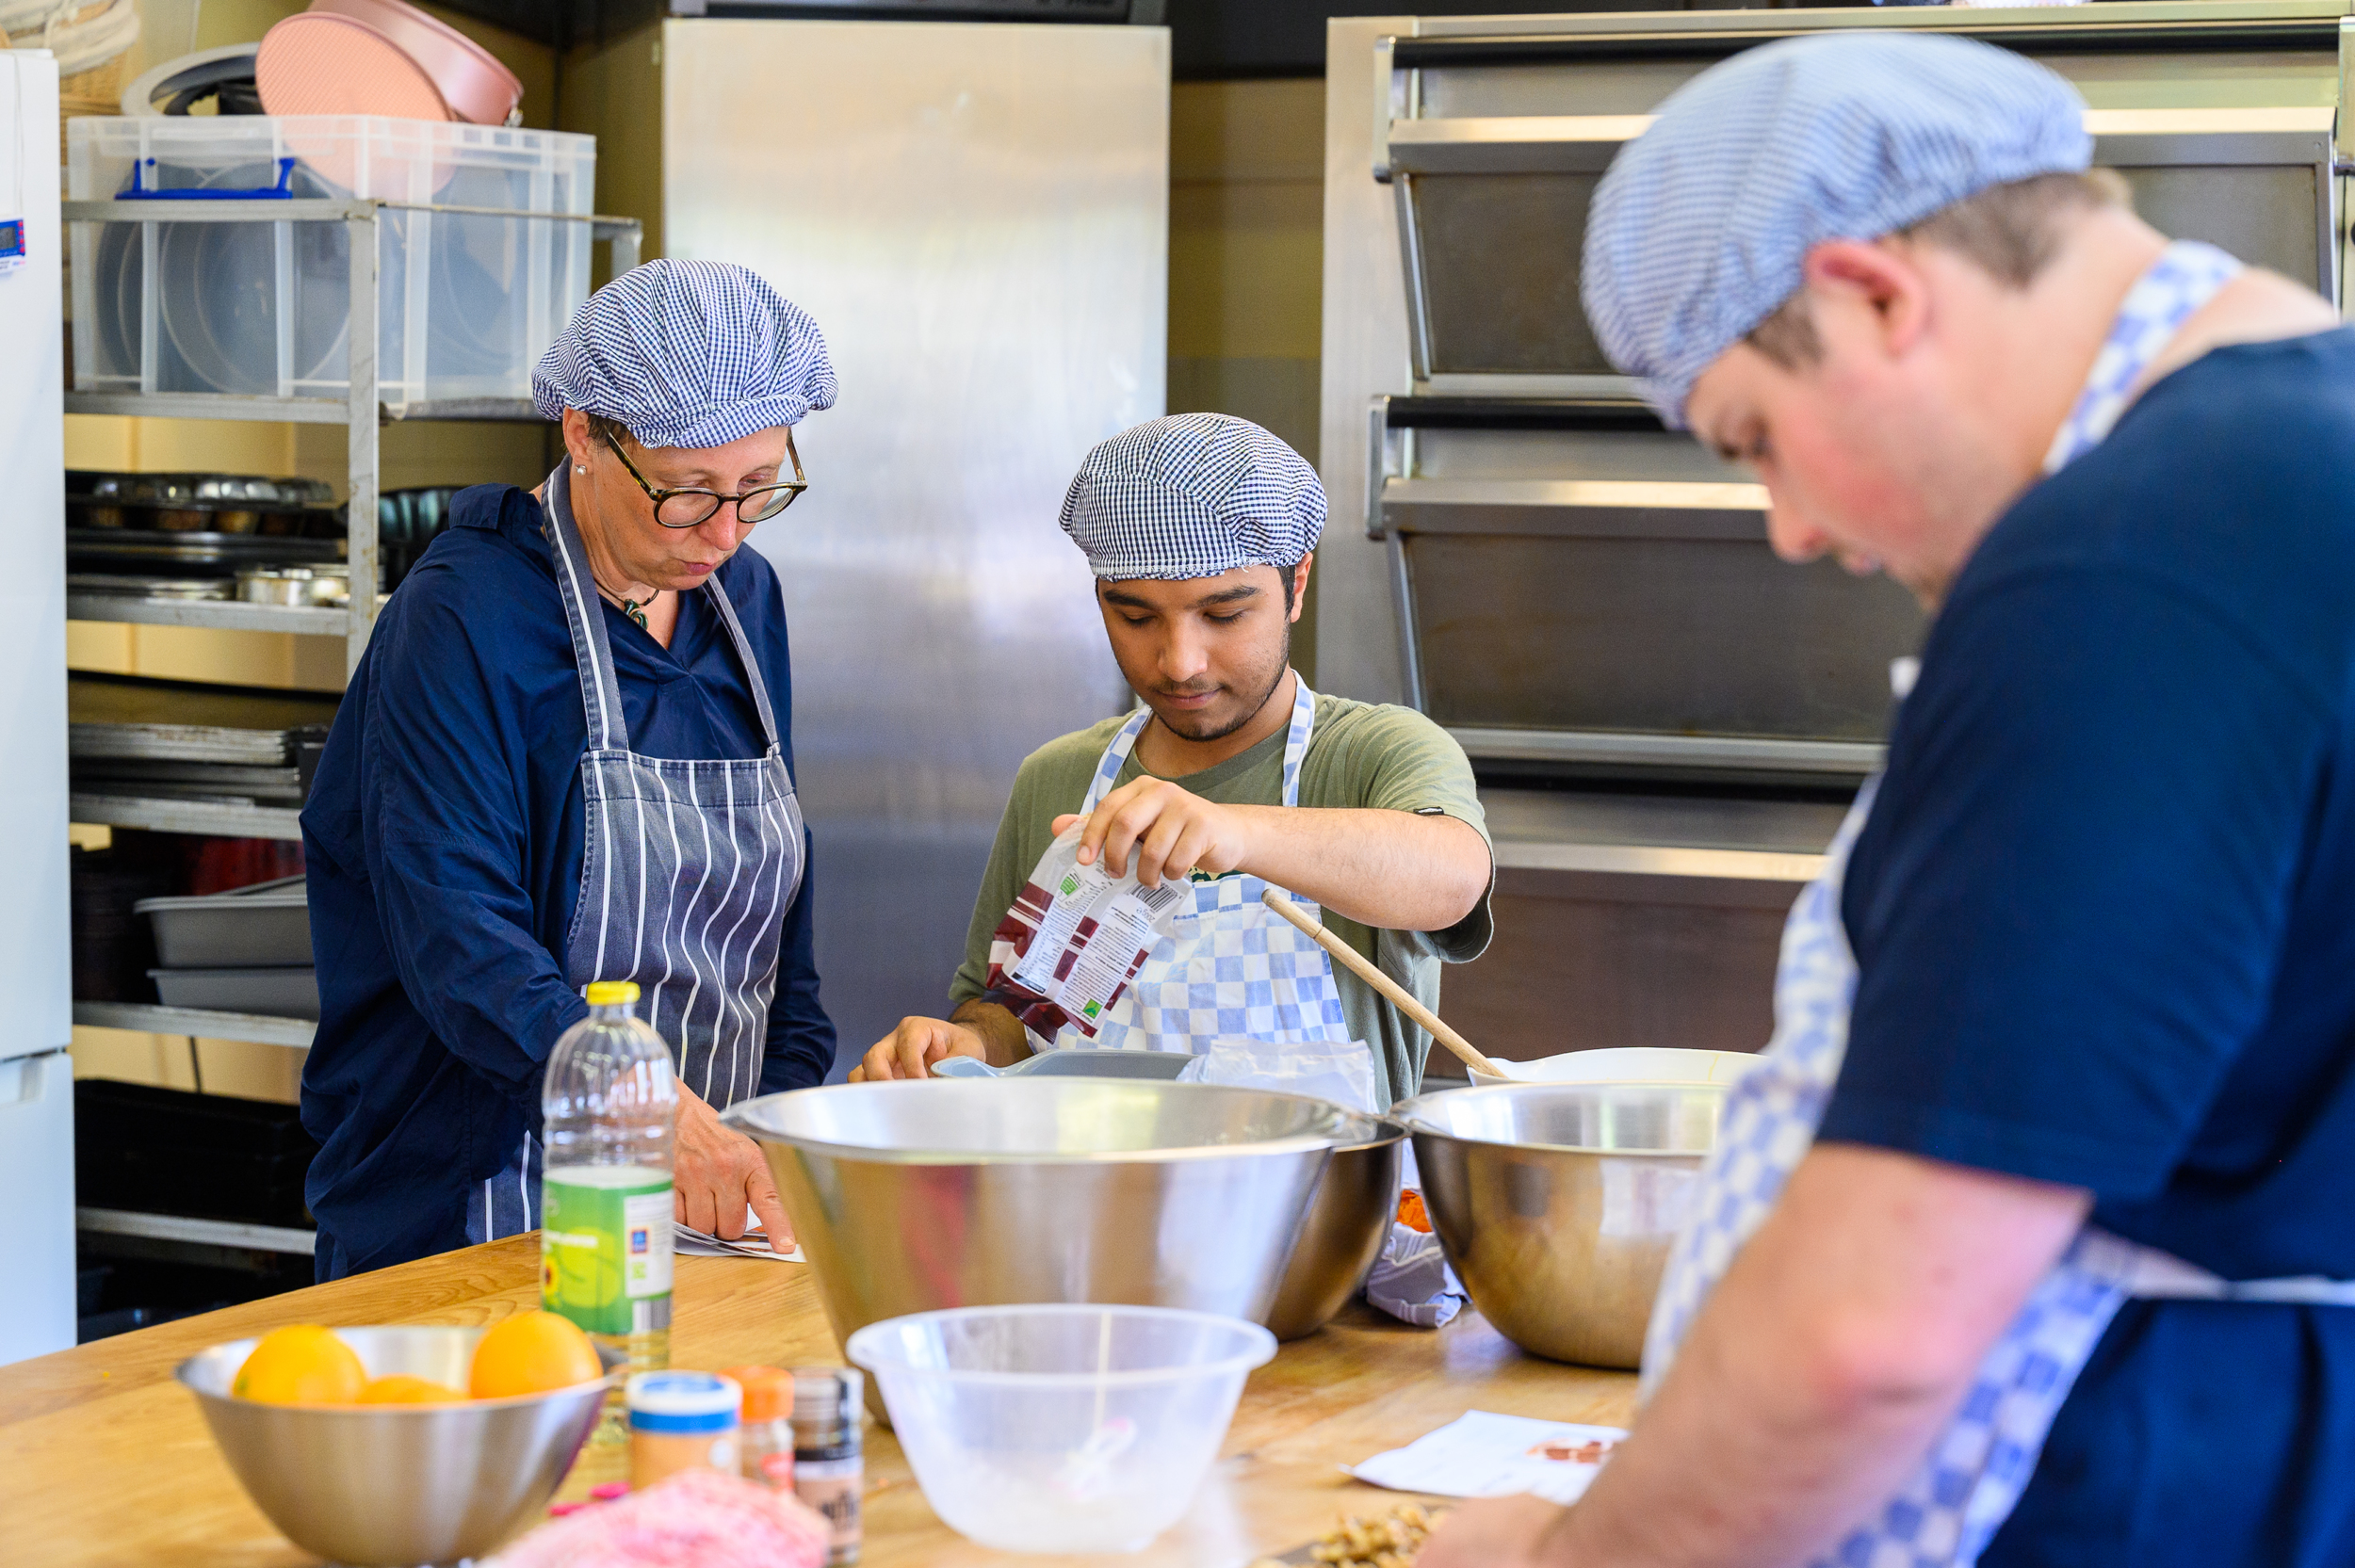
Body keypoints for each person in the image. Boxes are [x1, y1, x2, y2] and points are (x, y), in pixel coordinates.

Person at [1419, 33, 2355, 1568]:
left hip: (2159, 1493)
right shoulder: (2306, 454)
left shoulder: (2135, 561)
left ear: (1874, 293)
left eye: (1757, 441)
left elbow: (1879, 1331)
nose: (1789, 529)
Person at [300, 260, 836, 1278]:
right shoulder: (463, 620)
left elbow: (780, 924)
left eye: (758, 488)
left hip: (714, 1199)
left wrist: (781, 1117)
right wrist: (644, 1114)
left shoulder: (744, 602)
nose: (723, 534)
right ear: (584, 434)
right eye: (685, 496)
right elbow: (462, 941)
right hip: (487, 1201)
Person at [852, 413, 1492, 1107]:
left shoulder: (1374, 753)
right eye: (1135, 617)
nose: (1178, 662)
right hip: (1091, 1206)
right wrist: (967, 1047)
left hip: (1323, 1208)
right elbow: (1014, 1016)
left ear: (1297, 584)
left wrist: (1233, 831)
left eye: (1223, 615)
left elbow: (1451, 878)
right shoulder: (1058, 777)